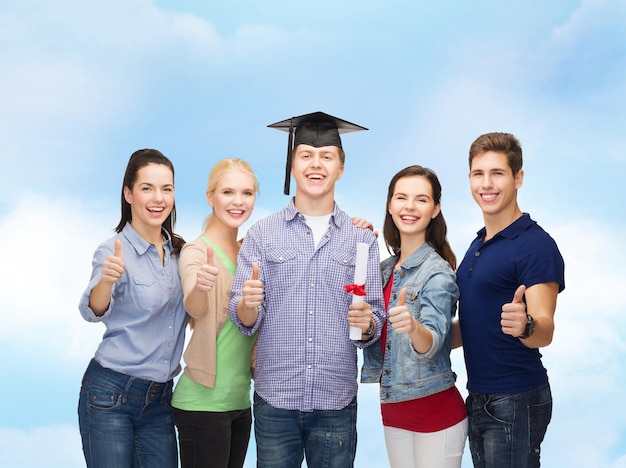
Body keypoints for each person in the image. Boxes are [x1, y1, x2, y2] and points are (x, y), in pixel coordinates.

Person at [228, 111, 386, 468]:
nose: (316, 164)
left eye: (327, 156)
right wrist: (248, 305)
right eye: (306, 156)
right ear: (292, 164)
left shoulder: (361, 239)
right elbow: (243, 316)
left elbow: (372, 320)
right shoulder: (262, 234)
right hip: (275, 400)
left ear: (340, 168)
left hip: (335, 401)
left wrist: (368, 323)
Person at [454, 132, 565, 468]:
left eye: (497, 173)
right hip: (480, 396)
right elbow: (476, 324)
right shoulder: (478, 243)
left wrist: (526, 325)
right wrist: (424, 338)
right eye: (478, 174)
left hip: (515, 397)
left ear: (518, 178)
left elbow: (545, 328)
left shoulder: (535, 244)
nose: (487, 184)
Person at [78, 148, 187, 468]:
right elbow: (92, 311)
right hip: (110, 395)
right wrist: (106, 283)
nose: (158, 198)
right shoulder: (113, 250)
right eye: (147, 188)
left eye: (166, 189)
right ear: (128, 193)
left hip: (159, 401)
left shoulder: (180, 251)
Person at [361, 165, 468, 468]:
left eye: (421, 199)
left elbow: (433, 342)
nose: (409, 207)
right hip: (393, 410)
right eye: (401, 198)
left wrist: (413, 326)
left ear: (435, 209)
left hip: (436, 413)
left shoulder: (437, 272)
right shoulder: (382, 270)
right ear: (390, 205)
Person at [171, 158, 259, 468]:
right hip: (201, 404)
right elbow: (194, 307)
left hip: (239, 402)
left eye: (247, 193)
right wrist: (200, 287)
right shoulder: (197, 251)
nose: (238, 202)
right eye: (228, 192)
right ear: (211, 197)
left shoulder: (252, 252)